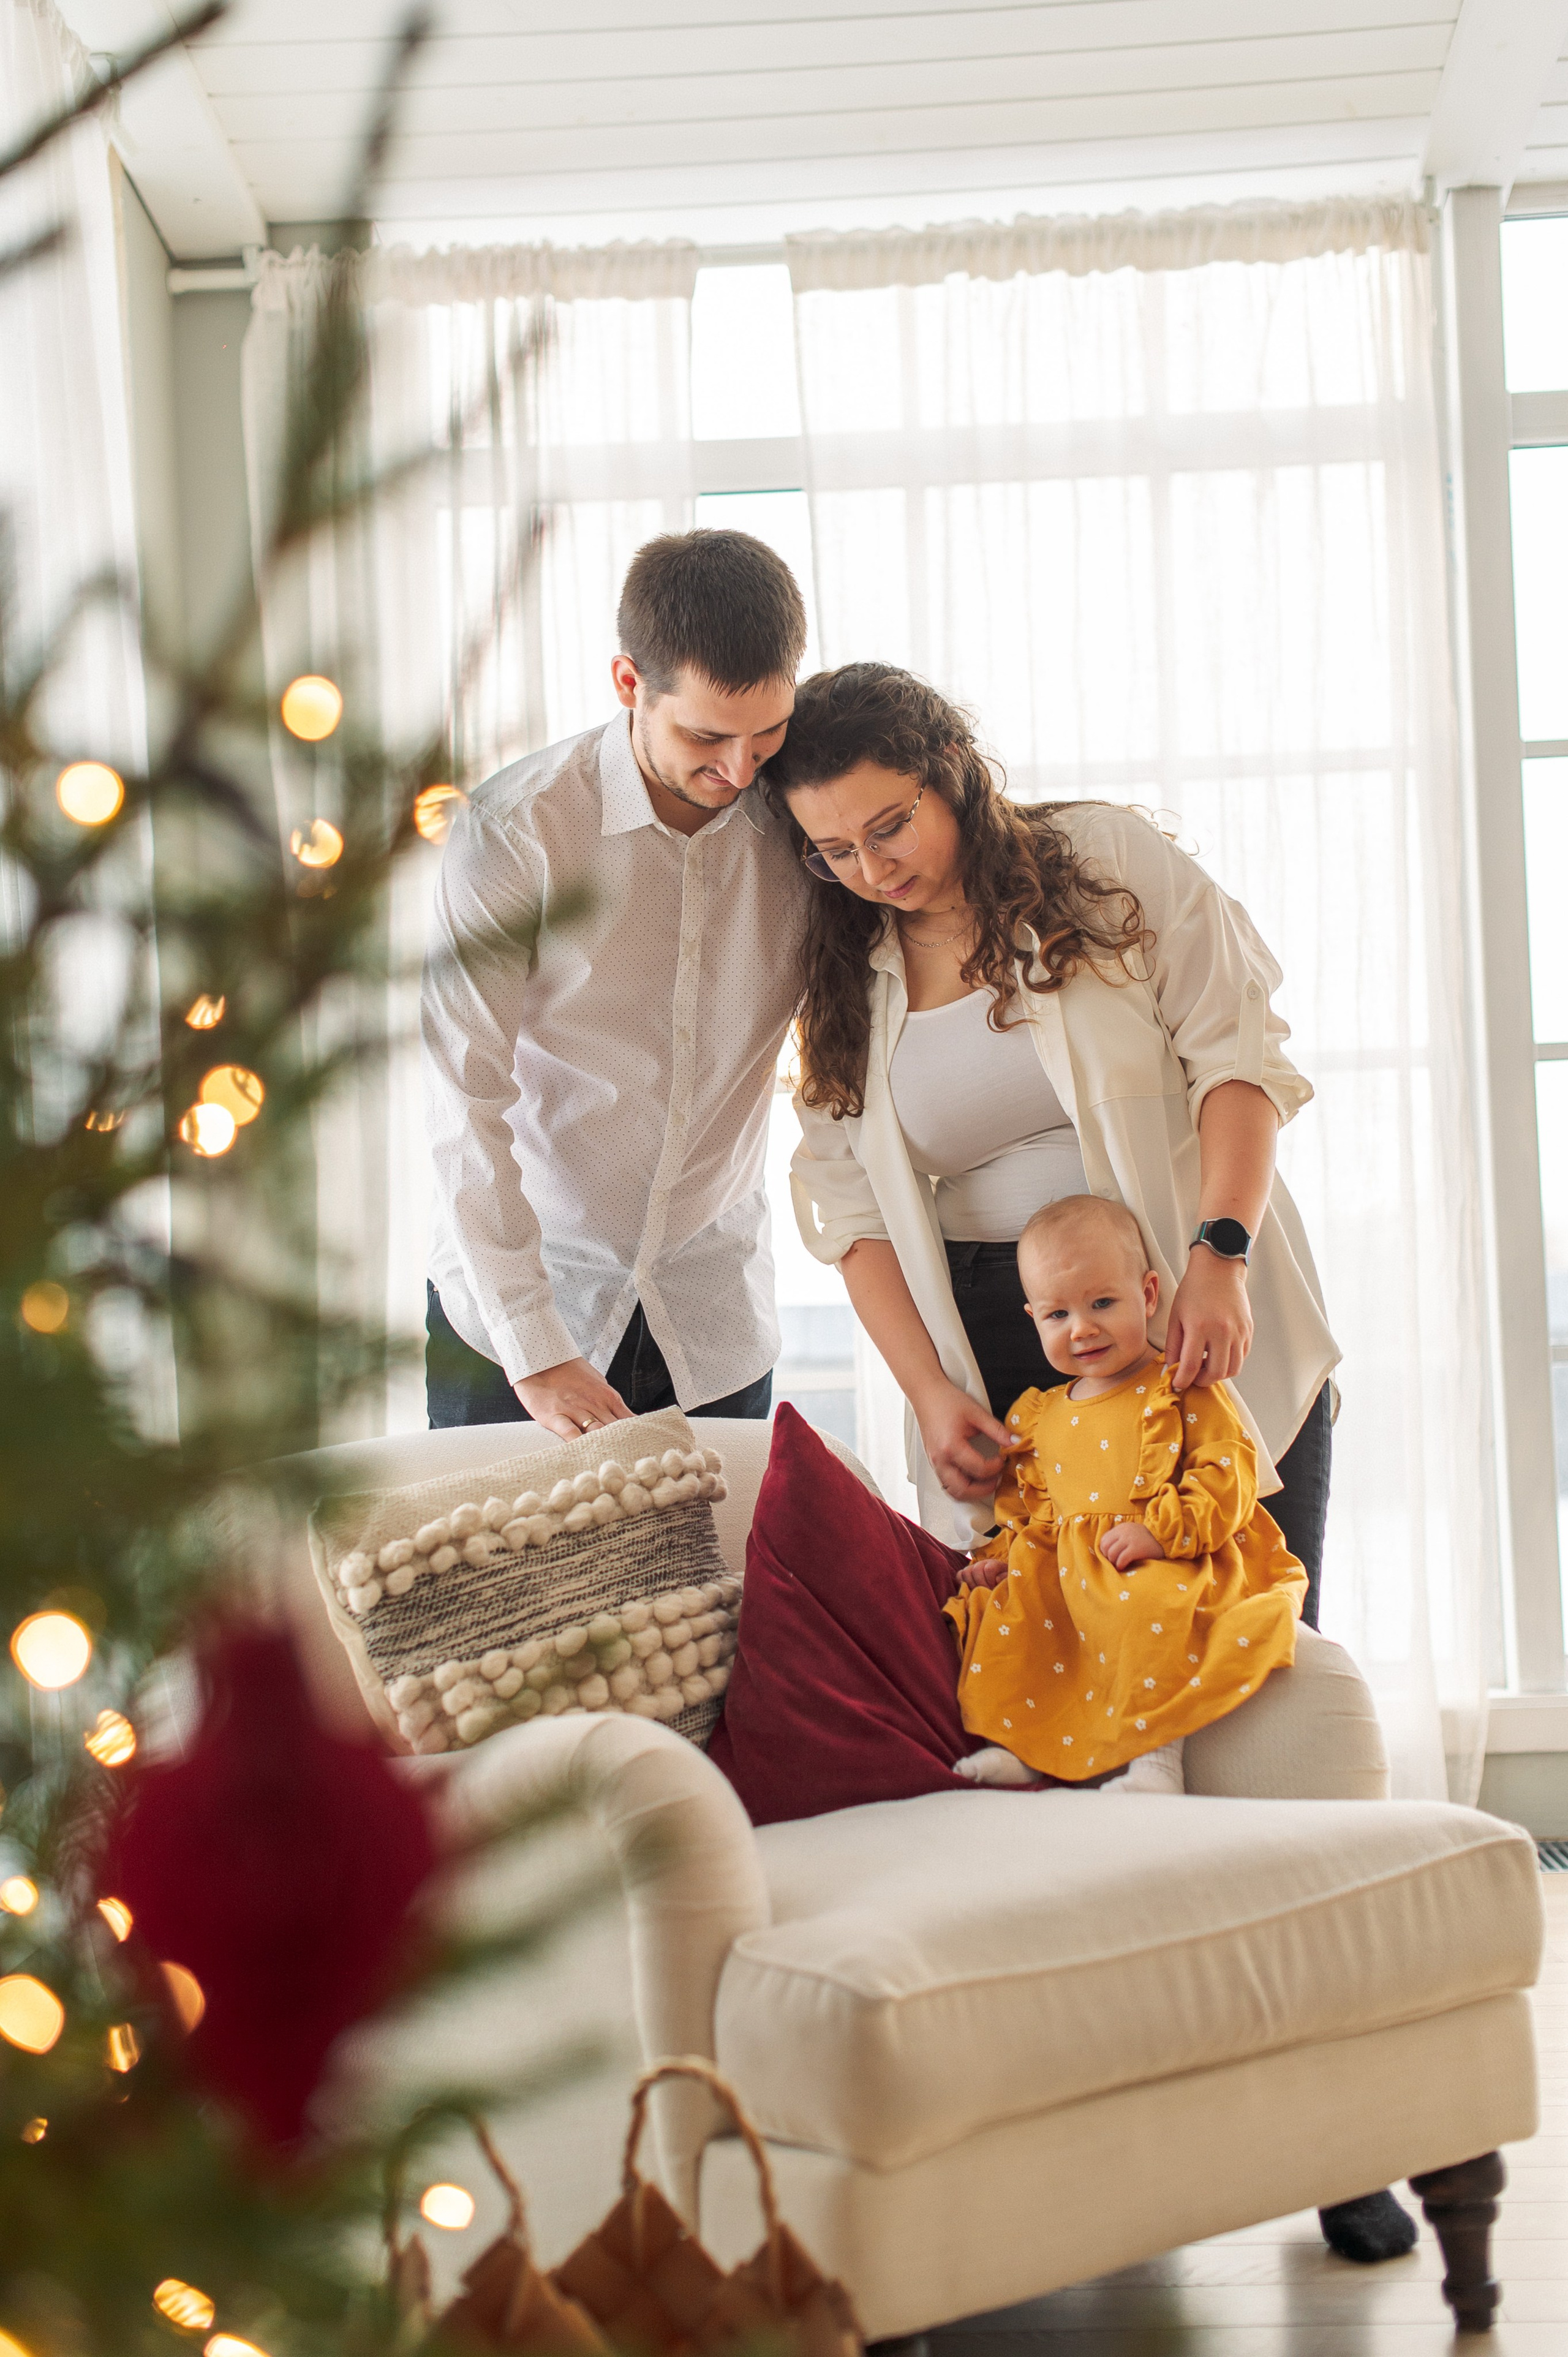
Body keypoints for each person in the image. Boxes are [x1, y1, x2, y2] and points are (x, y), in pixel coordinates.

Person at [764, 661, 1417, 2265]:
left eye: (890, 826)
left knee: (1261, 1704)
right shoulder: (847, 976)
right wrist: (929, 1397)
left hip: (1194, 1320)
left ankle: (1350, 2141)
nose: (872, 870)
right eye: (834, 851)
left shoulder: (1108, 865)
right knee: (1067, 1744)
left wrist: (1218, 1249)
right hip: (1004, 1368)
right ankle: (1121, 2132)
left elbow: (1237, 1055)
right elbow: (851, 1211)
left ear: (951, 769)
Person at [421, 530, 809, 1439]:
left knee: (715, 1584)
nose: (741, 771)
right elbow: (460, 1099)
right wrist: (535, 1345)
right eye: (707, 736)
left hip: (713, 1316)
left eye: (769, 733)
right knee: (500, 1584)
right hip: (519, 1319)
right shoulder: (515, 832)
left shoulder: (800, 826)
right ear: (630, 684)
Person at [946, 1194, 1306, 1794]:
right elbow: (1029, 1513)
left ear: (1147, 1295)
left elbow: (1227, 1469)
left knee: (1150, 1609)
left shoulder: (1176, 1385)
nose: (1081, 1327)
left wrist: (1162, 1531)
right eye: (1057, 1315)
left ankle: (1156, 1766)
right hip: (1067, 1570)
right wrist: (998, 1560)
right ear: (1032, 1316)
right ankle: (1019, 1747)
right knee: (1009, 1616)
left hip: (1157, 1555)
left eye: (1102, 1303)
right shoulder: (1037, 1416)